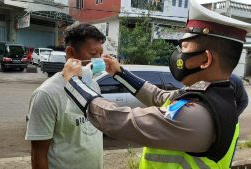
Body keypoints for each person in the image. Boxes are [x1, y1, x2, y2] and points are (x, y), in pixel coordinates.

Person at [61, 0, 251, 168]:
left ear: (205, 59)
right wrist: (119, 73)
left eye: (184, 48)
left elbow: (118, 120)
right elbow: (159, 97)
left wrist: (74, 82)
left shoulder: (196, 116)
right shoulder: (215, 96)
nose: (178, 54)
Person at [25, 24, 106, 169]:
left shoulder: (93, 85)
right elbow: (38, 154)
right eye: (93, 54)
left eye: (100, 54)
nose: (99, 60)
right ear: (70, 53)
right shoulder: (47, 94)